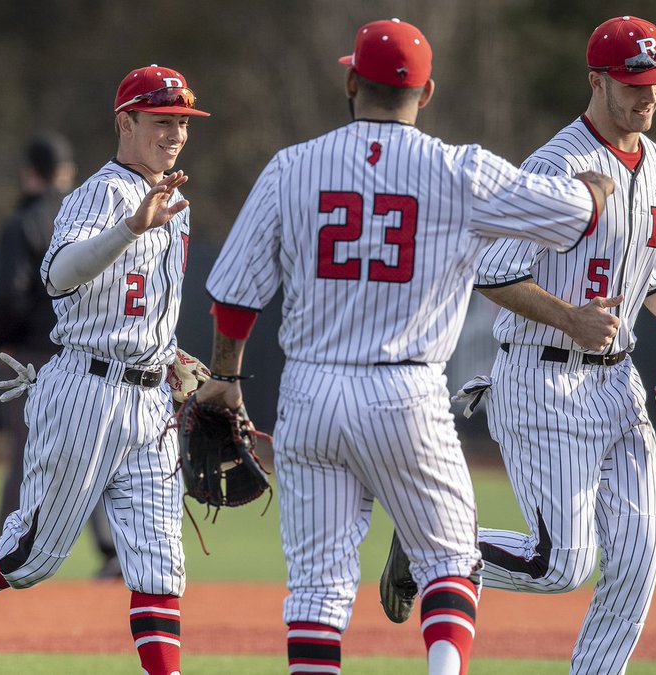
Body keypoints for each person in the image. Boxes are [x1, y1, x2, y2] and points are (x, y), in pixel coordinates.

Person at [193, 18, 614, 675]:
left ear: (351, 81)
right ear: (429, 92)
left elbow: (236, 295)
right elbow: (573, 215)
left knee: (317, 586)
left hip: (310, 392)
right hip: (405, 391)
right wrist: (593, 192)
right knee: (449, 558)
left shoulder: (292, 167)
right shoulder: (459, 169)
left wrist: (227, 377)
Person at [379, 15, 656, 675]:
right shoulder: (560, 165)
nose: (647, 94)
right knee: (560, 564)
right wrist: (570, 319)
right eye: (632, 81)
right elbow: (494, 270)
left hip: (617, 385)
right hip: (542, 379)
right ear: (596, 80)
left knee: (640, 557)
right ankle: (437, 546)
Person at [0, 64, 209, 675]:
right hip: (87, 390)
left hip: (149, 403)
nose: (176, 134)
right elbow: (57, 275)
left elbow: (146, 301)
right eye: (162, 120)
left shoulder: (176, 201)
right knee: (30, 554)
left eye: (183, 122)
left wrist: (167, 355)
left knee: (161, 567)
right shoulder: (98, 195)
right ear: (126, 122)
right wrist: (130, 227)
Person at [0, 132, 122, 580]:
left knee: (28, 452)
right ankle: (112, 550)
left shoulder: (23, 222)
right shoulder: (92, 212)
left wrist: (0, 337)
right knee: (96, 447)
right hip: (89, 353)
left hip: (34, 358)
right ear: (69, 171)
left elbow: (11, 294)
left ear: (29, 173)